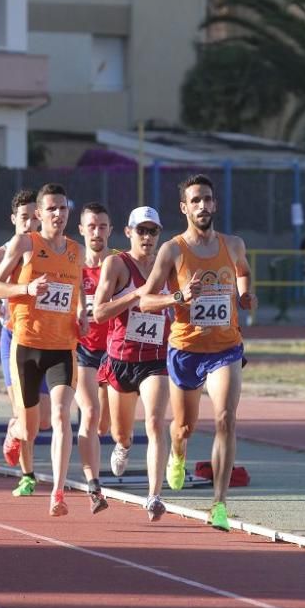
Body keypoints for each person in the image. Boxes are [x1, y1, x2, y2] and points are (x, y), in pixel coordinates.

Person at [139, 174, 256, 531]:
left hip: (225, 347)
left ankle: (219, 504)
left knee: (225, 419)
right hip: (186, 348)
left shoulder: (233, 244)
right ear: (184, 208)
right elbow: (145, 300)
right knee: (184, 427)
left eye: (207, 199)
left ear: (215, 204)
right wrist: (179, 297)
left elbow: (244, 274)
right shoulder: (172, 250)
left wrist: (246, 294)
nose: (203, 206)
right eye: (196, 201)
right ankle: (177, 453)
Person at [0, 183, 89, 517]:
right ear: (38, 214)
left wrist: (82, 316)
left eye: (62, 208)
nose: (58, 214)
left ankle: (58, 493)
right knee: (32, 428)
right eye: (51, 209)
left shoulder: (77, 251)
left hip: (62, 347)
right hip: (27, 346)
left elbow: (78, 292)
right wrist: (27, 288)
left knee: (61, 417)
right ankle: (15, 431)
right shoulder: (24, 243)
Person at [93, 206, 172, 521]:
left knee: (155, 423)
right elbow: (99, 313)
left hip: (155, 358)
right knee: (121, 432)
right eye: (142, 230)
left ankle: (154, 496)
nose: (148, 237)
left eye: (153, 231)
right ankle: (123, 446)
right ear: (128, 232)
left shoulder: (167, 264)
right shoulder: (116, 264)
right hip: (121, 359)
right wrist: (136, 295)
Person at [0, 189, 51, 494]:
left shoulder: (48, 250)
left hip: (46, 338)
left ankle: (13, 430)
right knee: (25, 412)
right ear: (13, 219)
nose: (29, 224)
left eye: (35, 217)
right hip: (14, 338)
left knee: (43, 422)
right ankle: (28, 476)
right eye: (24, 218)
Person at [74, 202, 113, 513]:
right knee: (89, 414)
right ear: (82, 230)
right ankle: (94, 486)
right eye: (91, 226)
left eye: (102, 226)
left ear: (111, 230)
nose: (97, 232)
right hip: (83, 350)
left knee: (105, 426)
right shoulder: (73, 266)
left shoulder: (119, 265)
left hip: (115, 352)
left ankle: (115, 448)